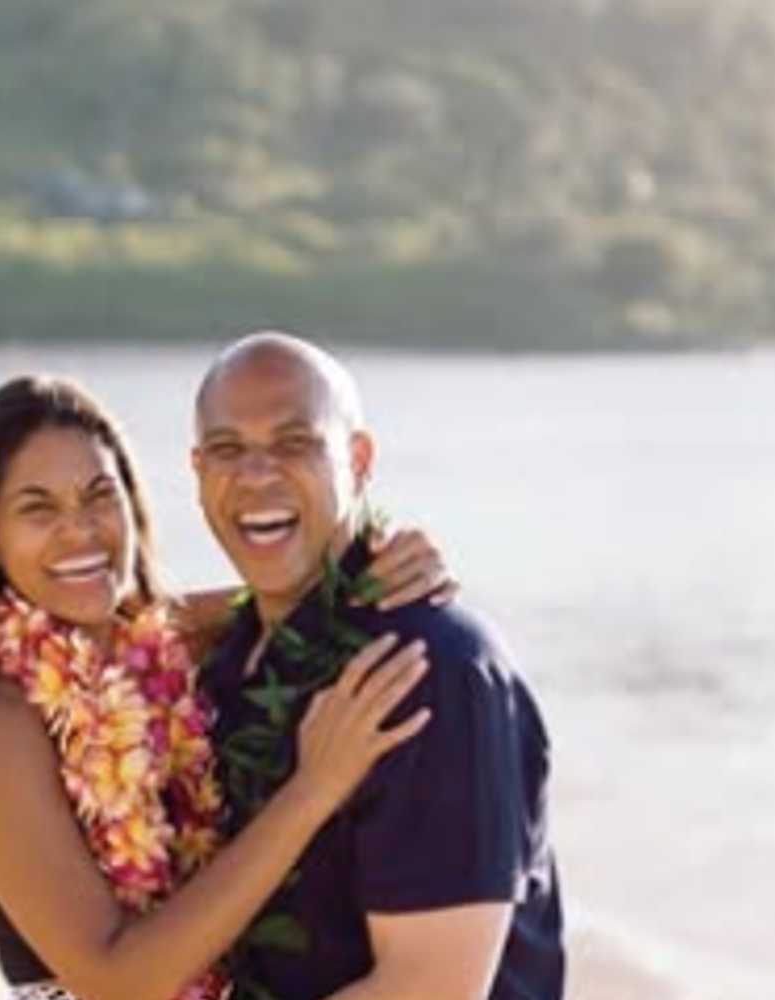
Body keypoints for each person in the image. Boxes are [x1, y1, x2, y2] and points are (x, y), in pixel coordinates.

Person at [0, 374, 458, 1000]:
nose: (81, 531)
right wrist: (313, 790)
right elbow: (115, 980)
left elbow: (269, 599)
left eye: (101, 496)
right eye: (38, 508)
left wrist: (376, 570)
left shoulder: (150, 650)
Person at [192, 333, 565, 998]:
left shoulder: (428, 670)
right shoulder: (224, 663)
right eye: (227, 450)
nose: (254, 476)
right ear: (197, 473)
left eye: (293, 443)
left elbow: (430, 989)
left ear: (358, 460)